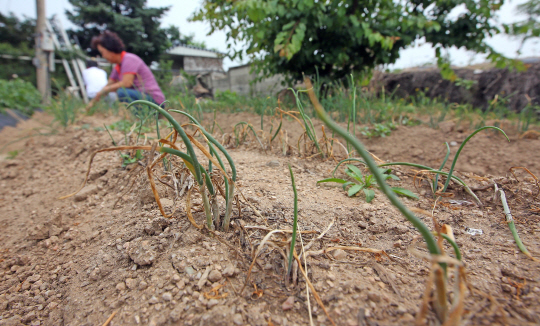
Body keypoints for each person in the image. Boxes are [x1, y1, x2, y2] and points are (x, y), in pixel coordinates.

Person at [86, 30, 165, 109]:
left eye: (103, 52)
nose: (103, 56)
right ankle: (136, 115)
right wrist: (92, 103)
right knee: (120, 93)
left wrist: (106, 90)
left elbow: (127, 83)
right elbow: (107, 86)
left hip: (155, 102)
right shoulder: (118, 67)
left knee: (122, 92)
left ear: (110, 49)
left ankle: (139, 116)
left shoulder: (129, 59)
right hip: (141, 98)